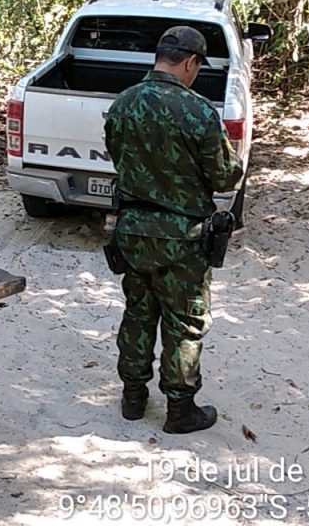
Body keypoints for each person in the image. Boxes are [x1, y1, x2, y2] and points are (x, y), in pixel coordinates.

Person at [103, 25, 244, 434]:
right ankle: (180, 410)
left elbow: (118, 157)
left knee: (138, 313)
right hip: (182, 238)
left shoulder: (124, 103)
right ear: (190, 62)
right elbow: (223, 177)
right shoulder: (199, 111)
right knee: (184, 323)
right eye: (198, 66)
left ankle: (133, 397)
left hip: (132, 230)